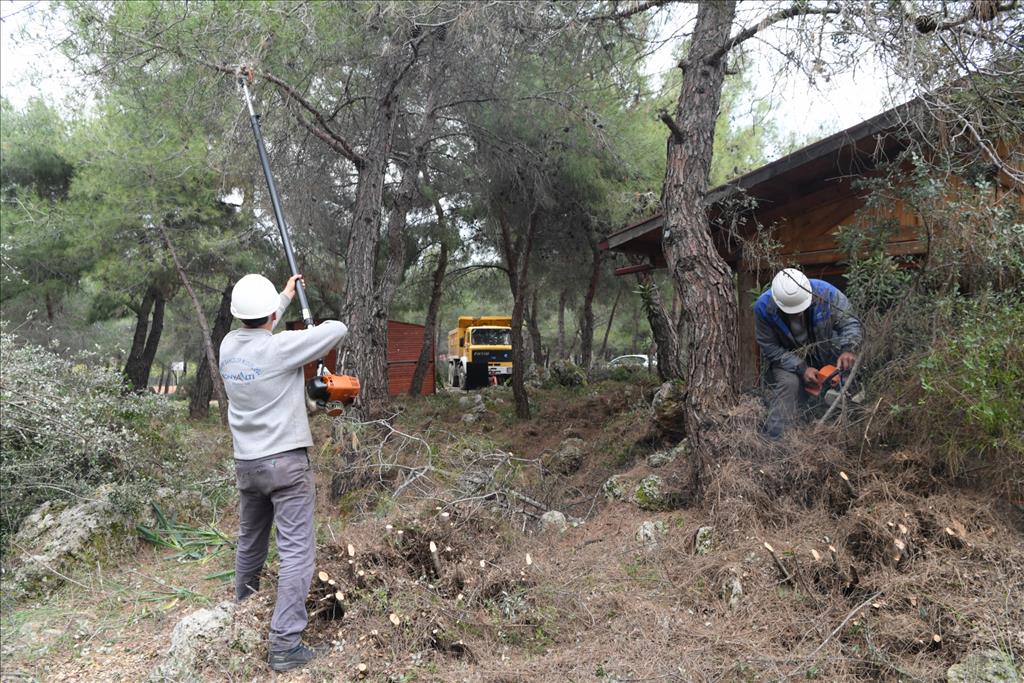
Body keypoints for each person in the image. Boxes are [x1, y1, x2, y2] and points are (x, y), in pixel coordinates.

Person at [219, 273, 347, 672]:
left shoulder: (227, 347)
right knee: (296, 554)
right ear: (271, 316)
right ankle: (285, 644)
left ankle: (244, 615)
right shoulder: (280, 348)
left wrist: (285, 296)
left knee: (250, 542)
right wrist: (307, 326)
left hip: (247, 465)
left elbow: (262, 321)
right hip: (286, 466)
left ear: (237, 313)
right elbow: (337, 329)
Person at [754, 268, 862, 438]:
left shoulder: (826, 293)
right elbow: (770, 347)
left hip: (828, 351)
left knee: (848, 377)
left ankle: (852, 428)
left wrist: (848, 349)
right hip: (787, 359)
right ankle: (776, 438)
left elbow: (849, 321)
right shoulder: (764, 307)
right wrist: (802, 368)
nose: (797, 313)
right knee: (789, 384)